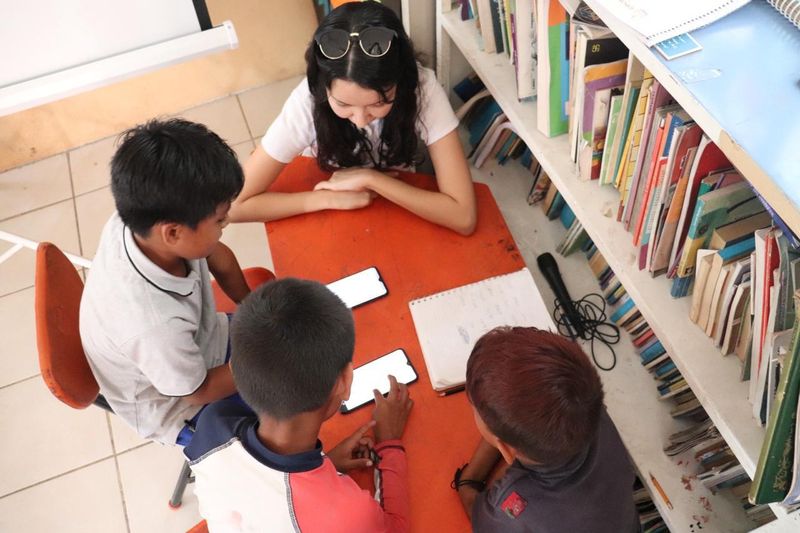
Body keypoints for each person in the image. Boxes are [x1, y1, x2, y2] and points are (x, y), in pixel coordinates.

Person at [185, 278, 414, 532]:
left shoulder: (214, 424)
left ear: (236, 370)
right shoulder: (350, 514)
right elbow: (396, 528)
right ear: (345, 381)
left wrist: (326, 465)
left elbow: (265, 494)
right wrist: (389, 443)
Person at [230, 1, 477, 235]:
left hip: (399, 198)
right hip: (332, 195)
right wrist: (324, 198)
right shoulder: (306, 102)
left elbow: (463, 216)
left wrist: (371, 179)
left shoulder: (422, 87)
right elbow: (234, 206)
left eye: (378, 103)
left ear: (401, 82)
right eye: (343, 104)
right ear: (321, 89)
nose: (360, 120)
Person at [80, 118, 256, 446]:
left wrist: (253, 307)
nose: (226, 224)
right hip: (183, 407)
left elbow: (218, 254)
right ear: (173, 232)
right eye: (220, 220)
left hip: (200, 348)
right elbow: (198, 391)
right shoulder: (152, 325)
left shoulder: (140, 215)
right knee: (293, 405)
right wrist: (267, 361)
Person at [455, 327, 638, 532]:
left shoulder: (506, 510)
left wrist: (467, 482)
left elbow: (478, 514)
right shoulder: (587, 407)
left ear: (505, 450)